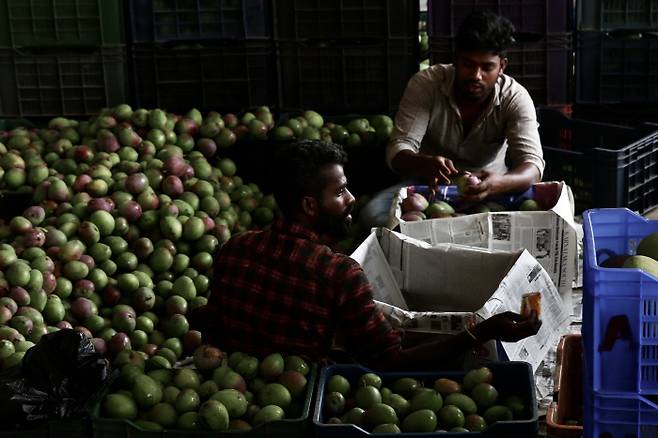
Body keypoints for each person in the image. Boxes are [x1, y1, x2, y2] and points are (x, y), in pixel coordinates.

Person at [192, 140, 541, 370]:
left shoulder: (234, 249)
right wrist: (482, 332)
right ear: (310, 206)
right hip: (303, 394)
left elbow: (212, 328)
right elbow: (391, 362)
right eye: (340, 192)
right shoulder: (339, 274)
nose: (352, 198)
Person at [360, 11, 544, 229]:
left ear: (502, 66)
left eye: (487, 67)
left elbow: (532, 167)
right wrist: (422, 163)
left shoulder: (515, 97)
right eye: (468, 64)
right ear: (456, 59)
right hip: (428, 185)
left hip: (492, 190)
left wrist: (499, 183)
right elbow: (398, 149)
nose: (476, 75)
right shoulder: (426, 85)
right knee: (371, 216)